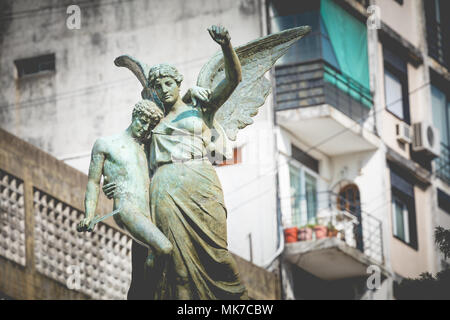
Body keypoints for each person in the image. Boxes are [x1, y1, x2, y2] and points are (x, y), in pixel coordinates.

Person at [147, 25, 248, 299]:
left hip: (200, 180)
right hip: (165, 187)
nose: (164, 89)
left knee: (219, 256)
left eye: (168, 83)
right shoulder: (151, 122)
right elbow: (133, 160)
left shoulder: (200, 108)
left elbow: (233, 79)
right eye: (157, 86)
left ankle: (240, 300)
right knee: (176, 267)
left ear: (178, 84)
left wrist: (226, 44)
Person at [77, 99, 172, 267]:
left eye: (149, 127)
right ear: (134, 116)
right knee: (164, 248)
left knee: (150, 266)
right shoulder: (106, 144)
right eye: (142, 122)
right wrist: (89, 215)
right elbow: (93, 182)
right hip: (127, 207)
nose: (144, 129)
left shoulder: (147, 147)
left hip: (150, 211)